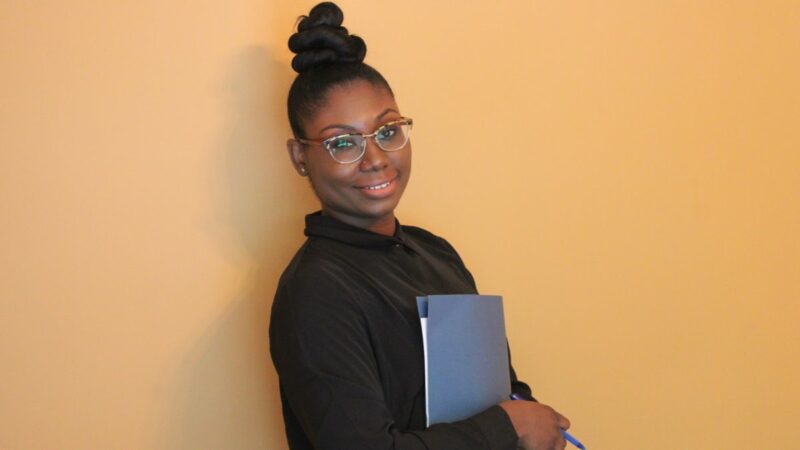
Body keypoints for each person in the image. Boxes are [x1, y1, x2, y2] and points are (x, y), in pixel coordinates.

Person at [269, 3, 571, 449]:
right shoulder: (316, 290)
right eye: (342, 143)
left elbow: (492, 391)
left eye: (388, 132)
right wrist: (511, 427)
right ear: (300, 157)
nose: (375, 160)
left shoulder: (435, 252)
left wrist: (528, 411)